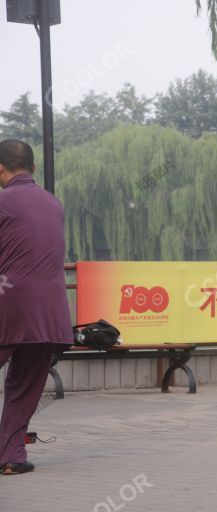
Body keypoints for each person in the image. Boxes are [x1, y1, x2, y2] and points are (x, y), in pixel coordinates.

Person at [0, 140, 72, 475]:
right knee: (24, 387)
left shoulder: (3, 202)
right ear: (33, 168)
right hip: (48, 315)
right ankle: (11, 457)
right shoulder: (54, 204)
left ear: (0, 169)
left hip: (9, 306)